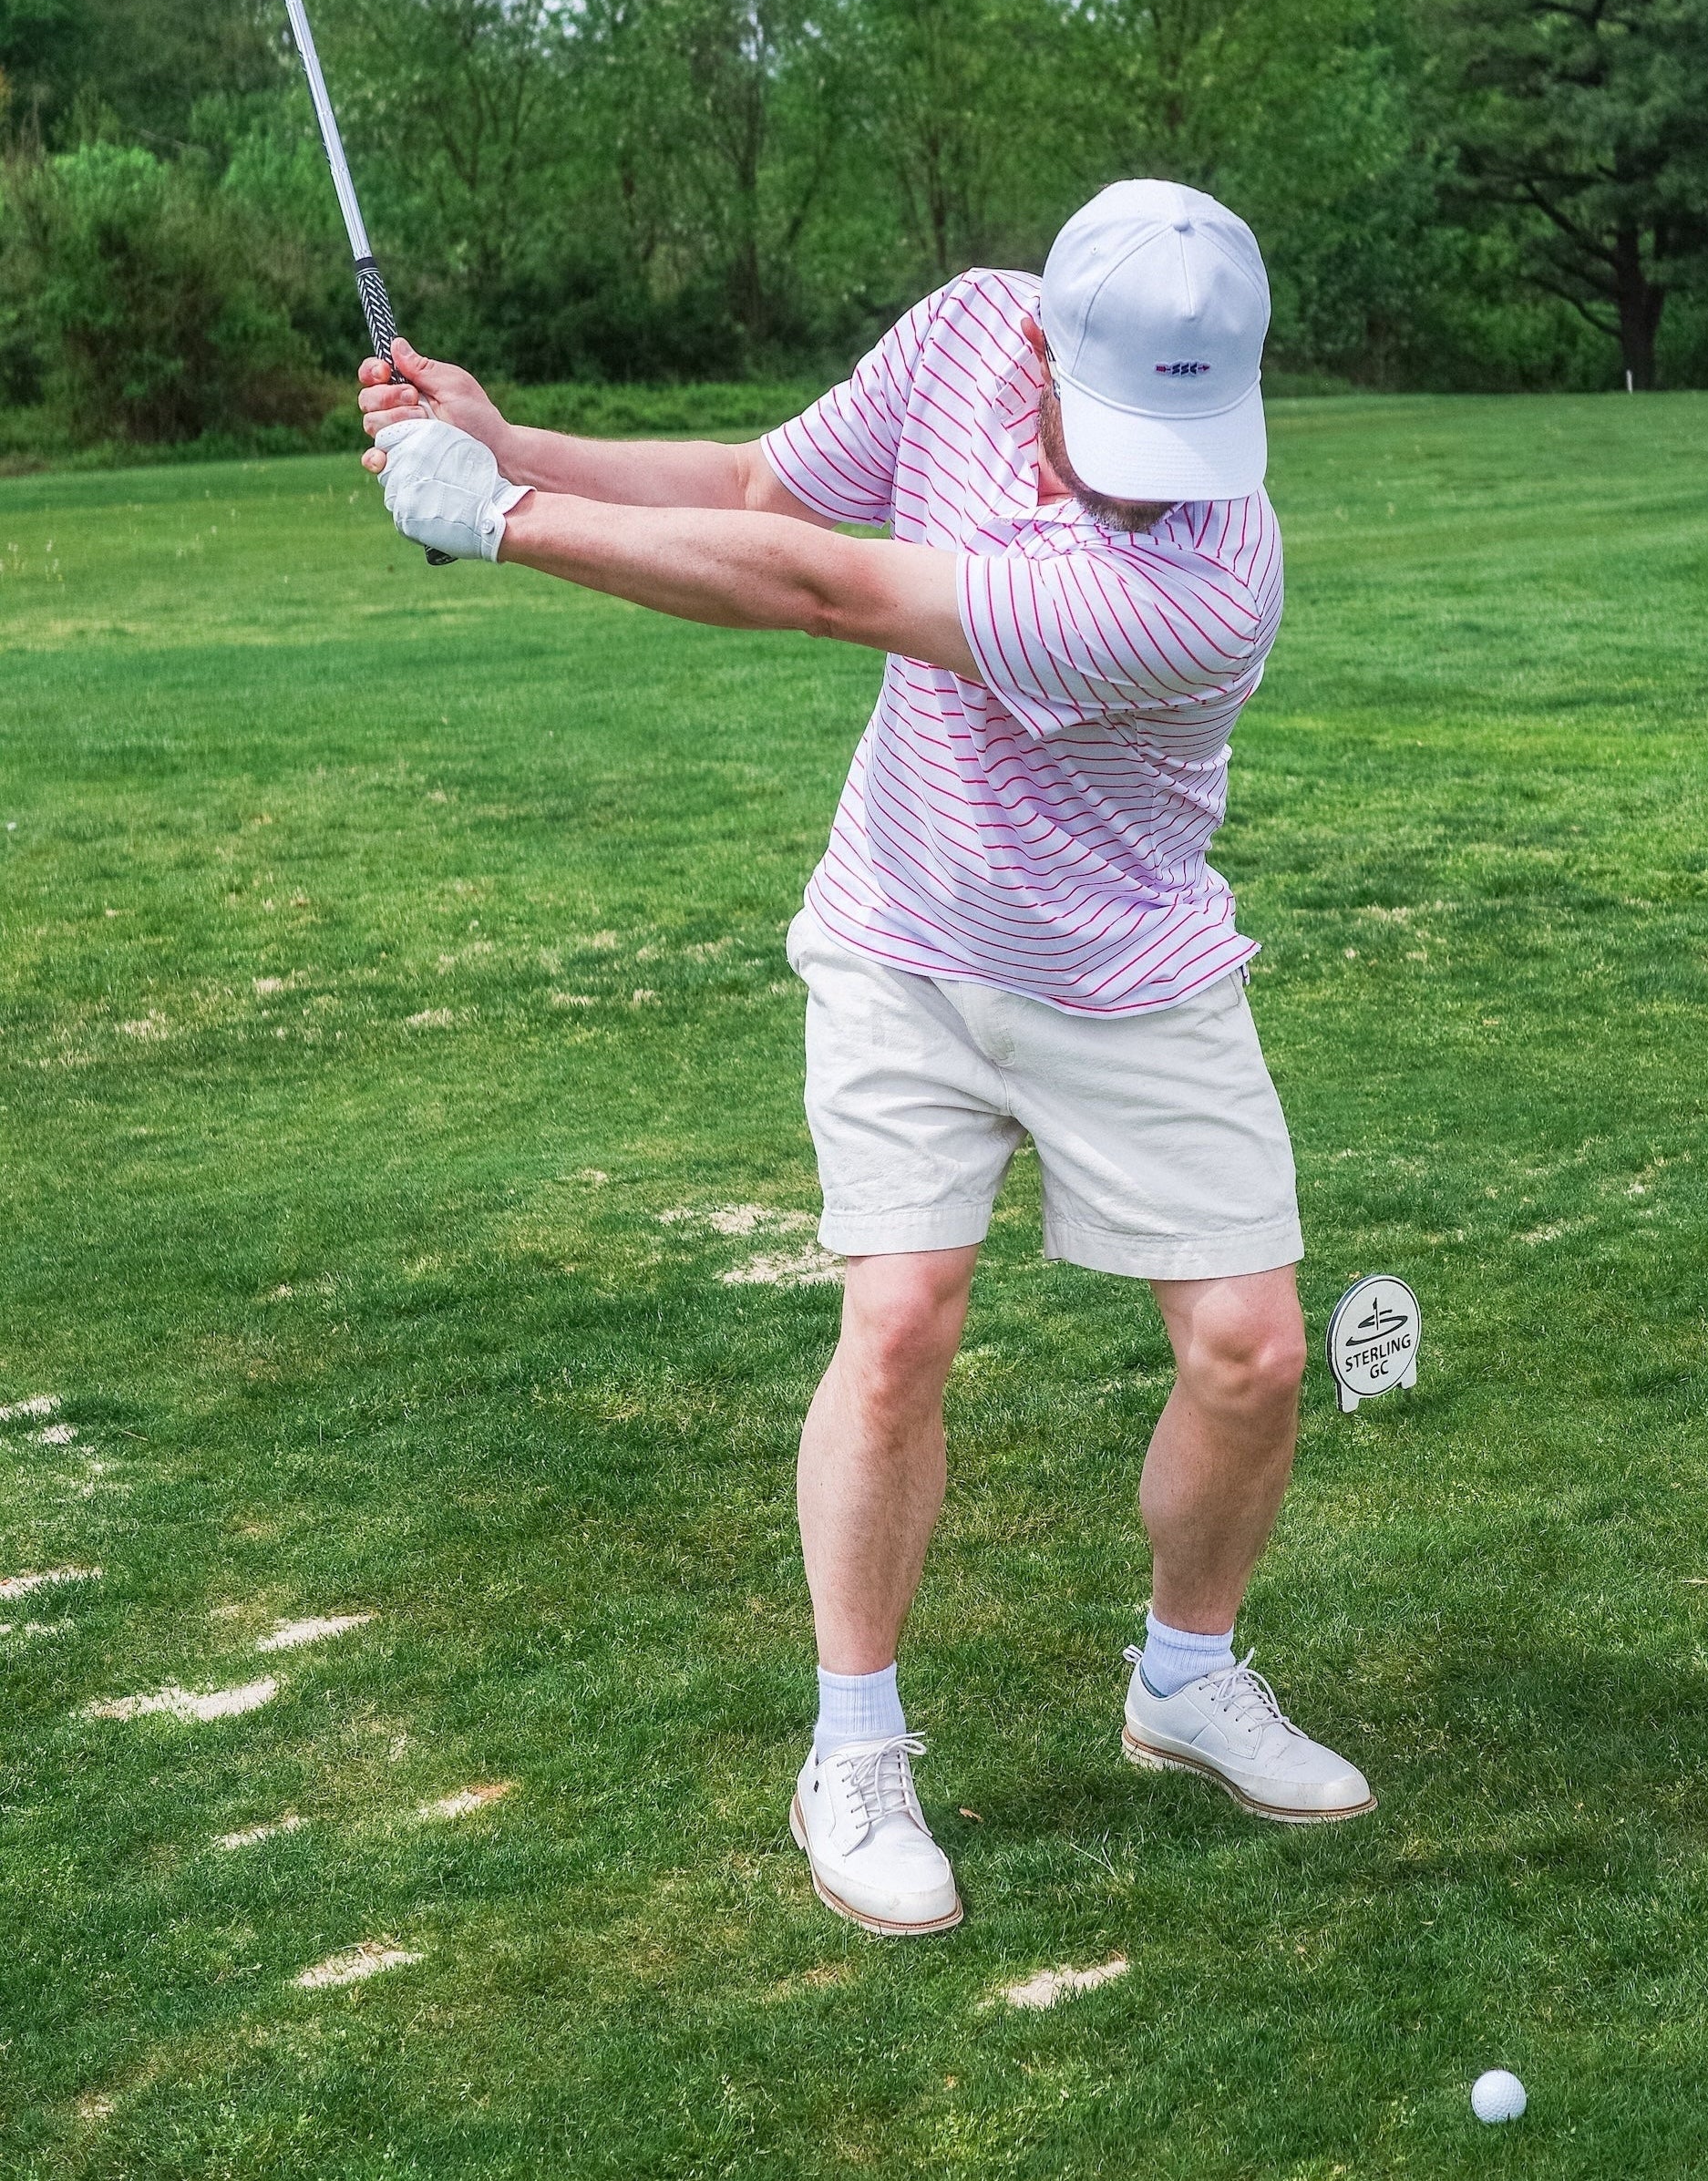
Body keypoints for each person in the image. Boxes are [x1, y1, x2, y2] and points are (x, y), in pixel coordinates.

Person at [359, 180, 1374, 1939]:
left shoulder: (1204, 584)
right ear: (1044, 339)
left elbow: (824, 591)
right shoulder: (974, 323)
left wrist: (507, 520)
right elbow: (767, 489)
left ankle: (1187, 1676)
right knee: (897, 1325)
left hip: (1124, 965)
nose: (1155, 466)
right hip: (904, 933)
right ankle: (857, 1745)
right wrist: (510, 439)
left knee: (1254, 1354)